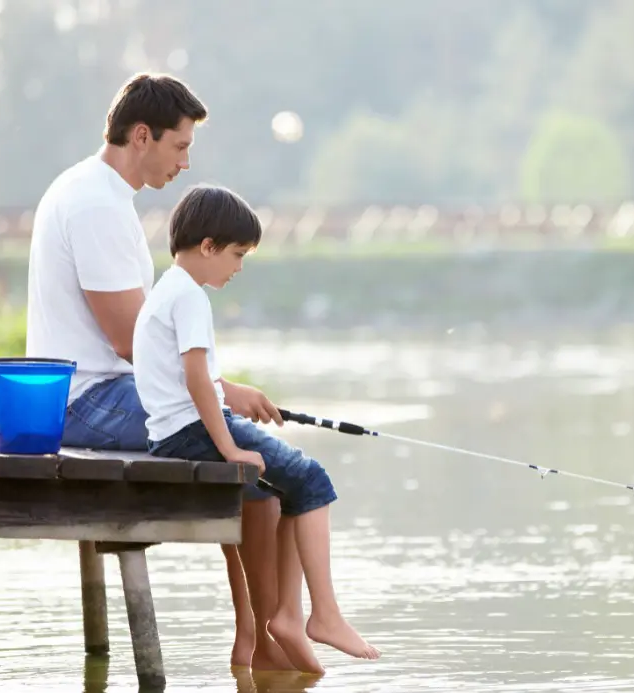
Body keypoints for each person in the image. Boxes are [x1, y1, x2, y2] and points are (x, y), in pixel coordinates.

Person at [24, 72, 294, 671]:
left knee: (240, 448)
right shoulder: (97, 203)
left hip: (92, 392)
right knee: (252, 457)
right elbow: (130, 342)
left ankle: (255, 632)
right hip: (87, 402)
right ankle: (261, 637)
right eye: (179, 146)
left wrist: (219, 395)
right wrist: (222, 392)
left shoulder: (93, 191)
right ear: (140, 135)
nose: (185, 162)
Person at [134, 183, 381, 672]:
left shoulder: (167, 289)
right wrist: (228, 447)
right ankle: (322, 614)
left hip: (171, 432)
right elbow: (198, 380)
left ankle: (289, 616)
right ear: (207, 247)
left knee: (294, 487)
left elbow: (192, 381)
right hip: (194, 432)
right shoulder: (190, 299)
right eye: (236, 254)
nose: (238, 267)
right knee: (313, 479)